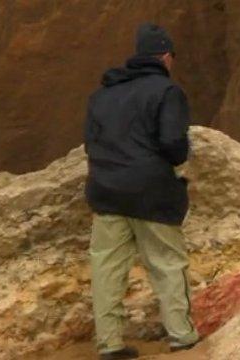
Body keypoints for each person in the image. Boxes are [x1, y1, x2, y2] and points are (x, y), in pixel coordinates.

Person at [83, 23, 198, 360]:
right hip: (151, 192)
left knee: (106, 270)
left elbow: (91, 142)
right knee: (167, 263)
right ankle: (182, 337)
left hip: (105, 190)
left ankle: (110, 345)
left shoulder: (101, 95)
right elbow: (173, 142)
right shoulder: (166, 91)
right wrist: (179, 168)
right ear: (165, 56)